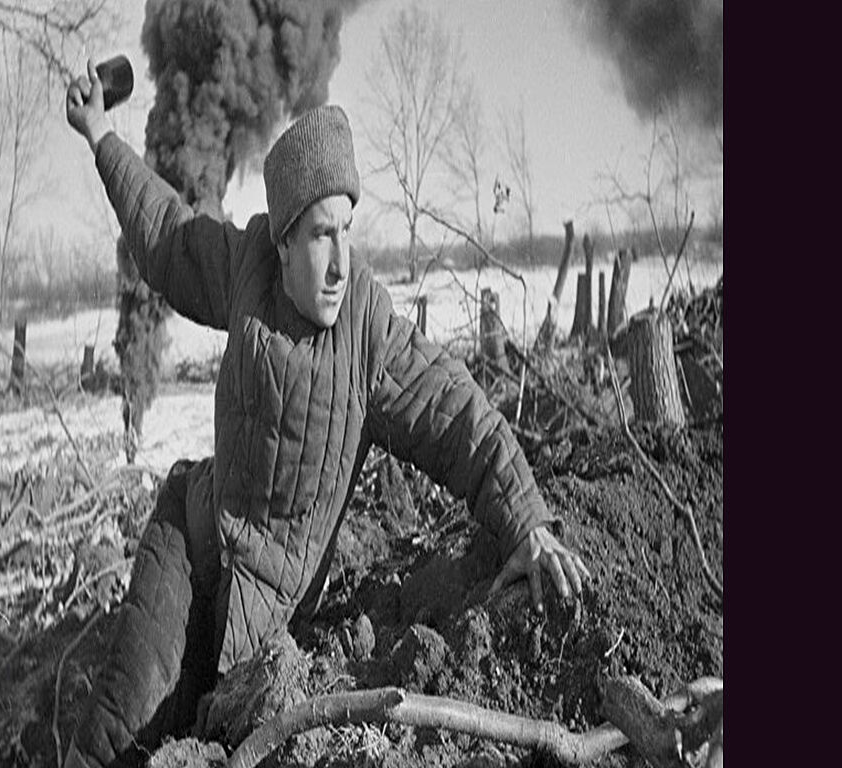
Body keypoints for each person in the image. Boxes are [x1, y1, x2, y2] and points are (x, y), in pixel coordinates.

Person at [64, 59, 590, 768]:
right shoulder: (242, 267)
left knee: (209, 735)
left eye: (348, 229)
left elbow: (459, 416)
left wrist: (527, 522)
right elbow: (164, 233)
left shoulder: (369, 334)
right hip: (188, 538)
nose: (341, 261)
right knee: (119, 730)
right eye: (319, 235)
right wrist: (99, 131)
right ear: (281, 243)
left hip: (265, 616)